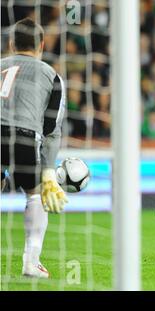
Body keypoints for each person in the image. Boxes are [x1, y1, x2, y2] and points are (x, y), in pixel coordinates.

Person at [1, 18, 68, 278]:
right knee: (35, 194)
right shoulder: (50, 75)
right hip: (23, 136)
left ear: (10, 43)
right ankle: (31, 261)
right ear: (41, 44)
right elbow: (52, 128)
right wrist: (49, 171)